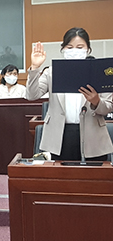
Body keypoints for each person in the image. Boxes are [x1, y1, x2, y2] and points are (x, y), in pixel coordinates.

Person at [27, 27, 113, 161]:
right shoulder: (52, 72)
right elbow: (32, 95)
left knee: (94, 179)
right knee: (63, 179)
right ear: (63, 49)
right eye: (70, 47)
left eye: (80, 47)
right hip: (60, 135)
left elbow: (109, 106)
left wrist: (96, 101)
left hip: (93, 135)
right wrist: (34, 68)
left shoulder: (99, 72)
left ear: (88, 50)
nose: (74, 51)